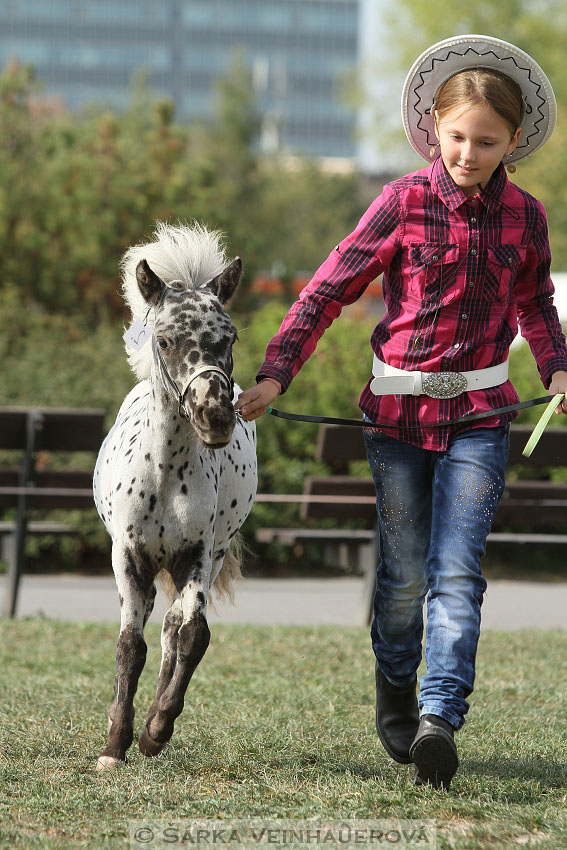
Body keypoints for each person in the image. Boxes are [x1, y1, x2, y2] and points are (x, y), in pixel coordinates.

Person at [235, 35, 567, 789]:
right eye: (456, 138)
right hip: (394, 422)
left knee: (457, 572)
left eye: (486, 142)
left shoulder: (526, 217)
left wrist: (557, 368)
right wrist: (275, 374)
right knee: (404, 581)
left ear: (513, 140)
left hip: (482, 417)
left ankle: (437, 719)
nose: (467, 154)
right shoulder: (399, 202)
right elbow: (324, 292)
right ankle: (396, 692)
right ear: (433, 129)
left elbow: (537, 305)